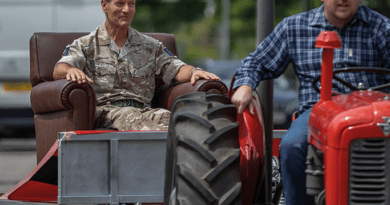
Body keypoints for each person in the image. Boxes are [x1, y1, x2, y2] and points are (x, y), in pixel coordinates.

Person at [231, 0, 390, 204]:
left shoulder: (381, 27)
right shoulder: (295, 27)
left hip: (371, 112)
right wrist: (245, 86)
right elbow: (255, 62)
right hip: (317, 113)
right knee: (293, 145)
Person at [53, 0, 220, 131]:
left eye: (131, 4)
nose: (126, 10)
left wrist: (194, 72)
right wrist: (71, 70)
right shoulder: (86, 45)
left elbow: (175, 67)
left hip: (145, 111)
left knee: (180, 121)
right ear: (104, 5)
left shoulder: (150, 45)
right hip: (106, 111)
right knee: (129, 115)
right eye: (119, 3)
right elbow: (59, 69)